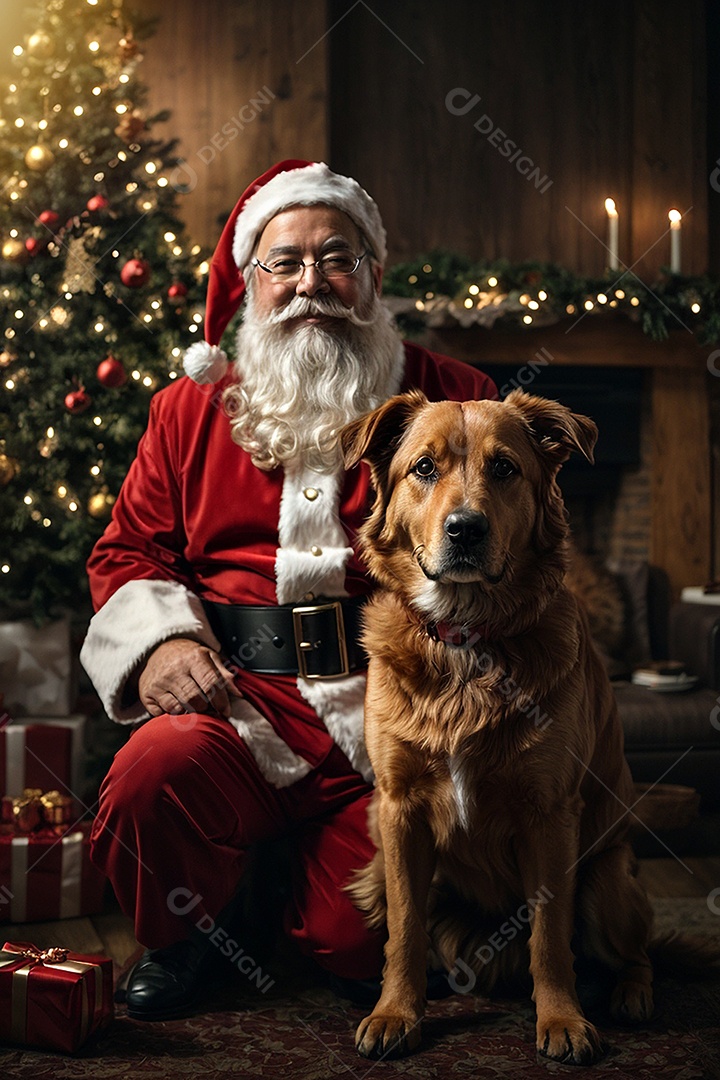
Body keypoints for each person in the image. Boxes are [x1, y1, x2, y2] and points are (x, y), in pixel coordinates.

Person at [80, 159, 497, 1021]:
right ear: (249, 282)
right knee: (148, 775)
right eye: (286, 263)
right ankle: (184, 935)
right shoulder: (185, 413)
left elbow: (510, 558)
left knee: (352, 947)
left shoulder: (458, 399)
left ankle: (268, 889)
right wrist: (164, 644)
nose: (313, 285)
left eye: (337, 258)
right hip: (234, 706)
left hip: (392, 716)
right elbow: (128, 552)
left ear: (373, 275)